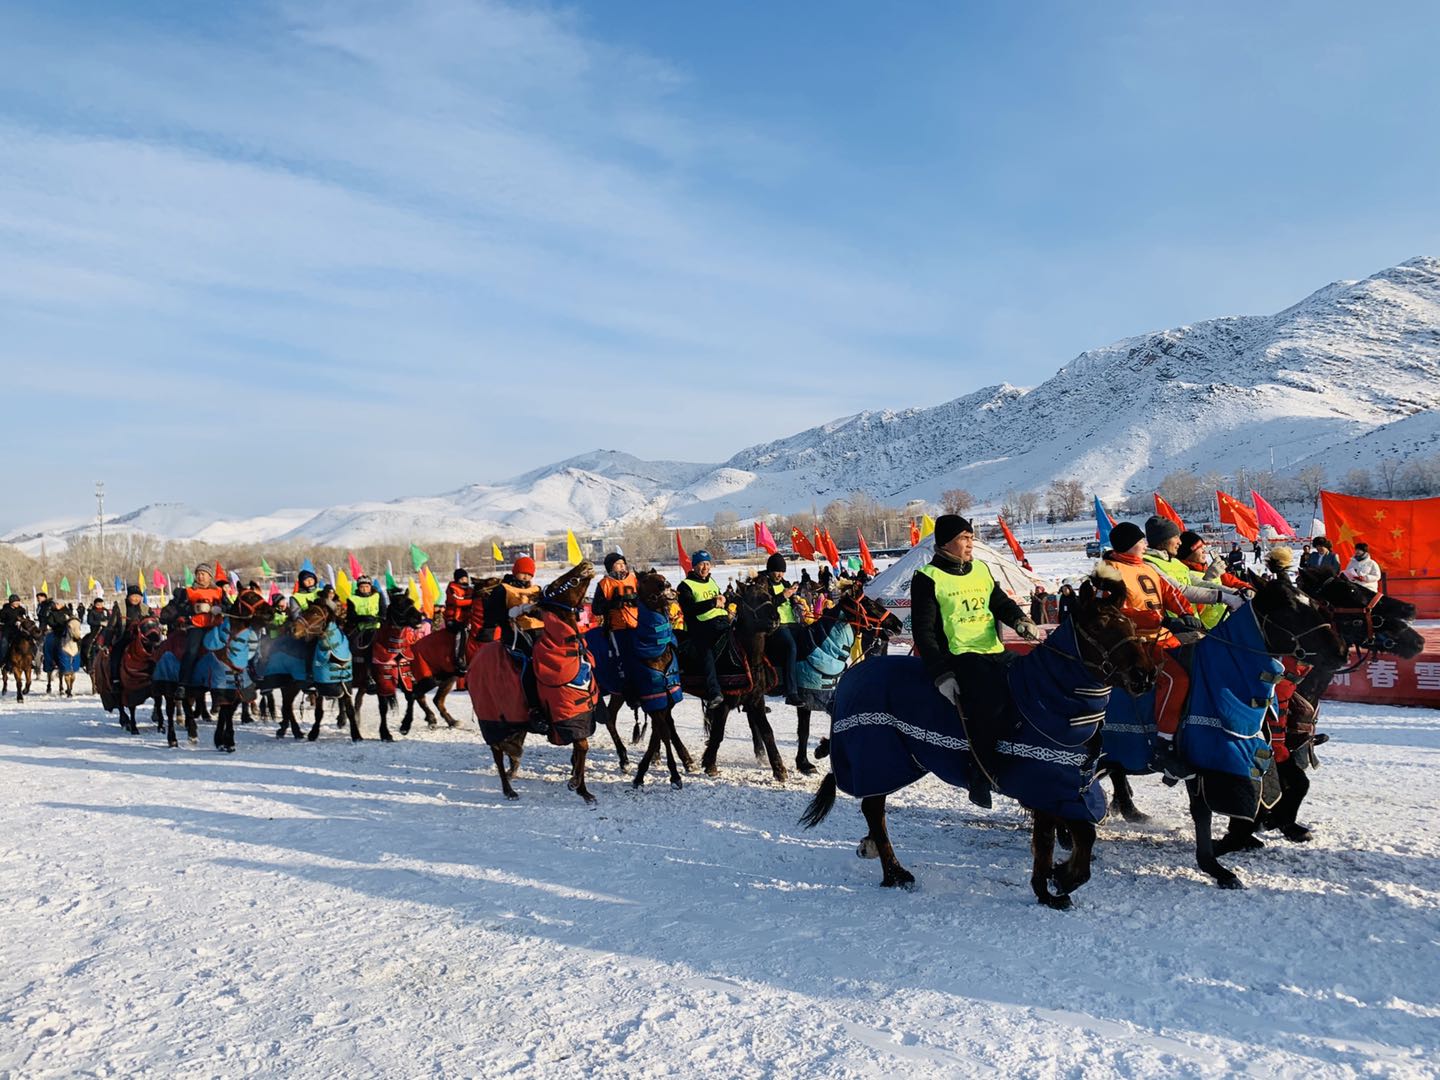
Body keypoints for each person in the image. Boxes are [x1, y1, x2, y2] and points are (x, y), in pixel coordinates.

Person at [911, 514, 1038, 808]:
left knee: (1032, 682)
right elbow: (924, 630)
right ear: (946, 543)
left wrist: (1020, 620)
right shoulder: (928, 578)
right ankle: (979, 773)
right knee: (991, 703)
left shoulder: (980, 569)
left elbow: (999, 603)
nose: (971, 544)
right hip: (960, 656)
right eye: (964, 538)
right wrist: (941, 674)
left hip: (993, 649)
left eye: (971, 538)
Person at [1103, 521, 1228, 780]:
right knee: (1176, 678)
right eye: (1142, 542)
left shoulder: (1146, 567)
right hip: (1135, 644)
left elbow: (1173, 593)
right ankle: (1165, 745)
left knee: (1202, 666)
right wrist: (1163, 620)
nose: (1146, 545)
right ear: (1130, 545)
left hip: (1163, 638)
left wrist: (1184, 613)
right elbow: (1112, 614)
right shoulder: (1110, 571)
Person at [677, 550, 730, 710]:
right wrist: (712, 603)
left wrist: (726, 601)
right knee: (707, 653)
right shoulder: (685, 585)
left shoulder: (711, 580)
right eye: (701, 564)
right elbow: (690, 609)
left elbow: (718, 599)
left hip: (722, 622)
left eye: (707, 564)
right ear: (694, 567)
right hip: (701, 627)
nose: (705, 567)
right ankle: (714, 691)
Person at [761, 553, 804, 706]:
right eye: (776, 571)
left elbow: (789, 602)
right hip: (776, 625)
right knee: (791, 647)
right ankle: (791, 692)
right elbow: (763, 606)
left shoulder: (785, 582)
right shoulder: (763, 583)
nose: (779, 574)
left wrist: (795, 600)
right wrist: (783, 596)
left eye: (782, 571)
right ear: (769, 570)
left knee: (811, 639)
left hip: (792, 622)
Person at [178, 564, 225, 686]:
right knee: (191, 652)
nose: (200, 577)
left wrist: (220, 608)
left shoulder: (219, 591)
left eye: (203, 574)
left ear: (210, 577)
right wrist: (195, 609)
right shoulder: (189, 591)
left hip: (216, 626)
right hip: (196, 626)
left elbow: (229, 607)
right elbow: (181, 608)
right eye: (198, 574)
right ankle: (183, 683)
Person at [483, 556, 543, 650]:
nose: (526, 577)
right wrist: (510, 613)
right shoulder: (503, 589)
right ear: (516, 572)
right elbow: (493, 613)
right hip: (515, 631)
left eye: (529, 574)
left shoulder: (536, 590)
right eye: (523, 573)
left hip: (540, 628)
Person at [591, 553, 639, 634]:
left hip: (638, 625)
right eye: (618, 564)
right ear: (610, 567)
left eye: (623, 563)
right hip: (616, 629)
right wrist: (613, 604)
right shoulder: (604, 584)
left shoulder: (634, 579)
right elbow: (596, 609)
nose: (622, 566)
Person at [443, 568, 473, 669]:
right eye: (462, 579)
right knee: (462, 631)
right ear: (457, 579)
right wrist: (473, 601)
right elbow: (457, 602)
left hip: (466, 619)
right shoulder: (452, 588)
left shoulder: (470, 589)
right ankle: (459, 657)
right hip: (453, 619)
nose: (465, 581)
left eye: (466, 578)